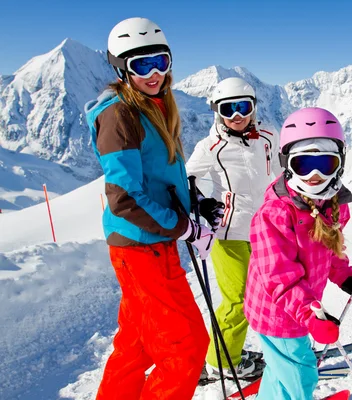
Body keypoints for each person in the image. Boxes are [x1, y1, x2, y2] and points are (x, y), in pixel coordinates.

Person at [85, 17, 221, 400]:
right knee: (186, 348)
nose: (155, 73)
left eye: (160, 61)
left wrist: (195, 204)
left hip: (152, 244)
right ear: (121, 68)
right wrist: (183, 227)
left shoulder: (154, 106)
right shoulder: (120, 115)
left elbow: (161, 177)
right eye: (142, 65)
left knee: (137, 345)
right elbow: (124, 198)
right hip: (141, 248)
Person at [244, 107, 352, 399]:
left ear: (340, 164)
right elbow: (279, 277)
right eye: (303, 165)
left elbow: (331, 250)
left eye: (325, 163)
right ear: (287, 164)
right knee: (300, 375)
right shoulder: (274, 214)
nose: (314, 176)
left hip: (300, 309)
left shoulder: (335, 204)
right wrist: (309, 316)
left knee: (282, 372)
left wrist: (346, 279)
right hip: (277, 312)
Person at [186, 77, 276, 378]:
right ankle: (221, 363)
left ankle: (278, 347)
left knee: (271, 293)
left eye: (243, 107)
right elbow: (186, 180)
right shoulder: (210, 146)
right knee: (238, 298)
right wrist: (201, 203)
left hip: (267, 230)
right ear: (218, 112)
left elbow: (281, 175)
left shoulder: (267, 137)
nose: (237, 115)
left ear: (253, 107)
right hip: (229, 233)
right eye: (229, 109)